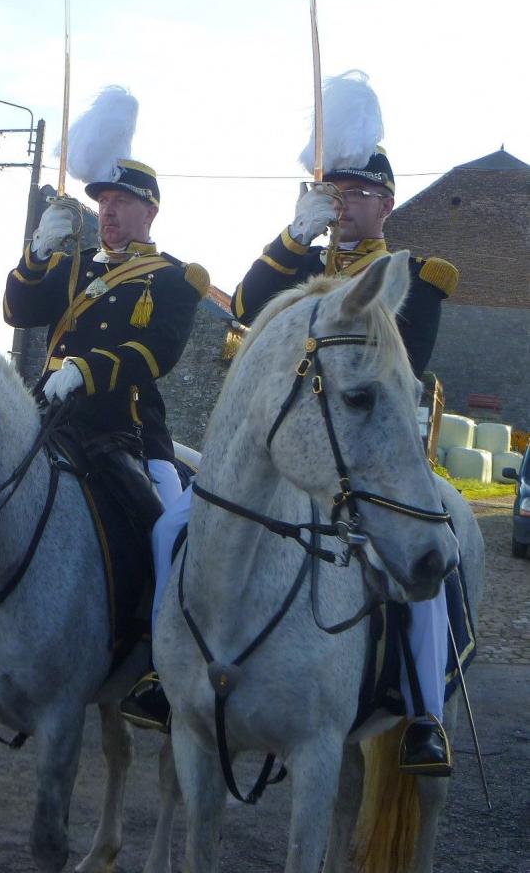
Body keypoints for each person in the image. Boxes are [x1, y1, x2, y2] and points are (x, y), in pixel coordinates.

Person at [153, 71, 460, 772]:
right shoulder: (299, 264)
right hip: (286, 453)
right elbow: (248, 309)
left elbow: (398, 367)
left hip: (373, 459)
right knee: (173, 527)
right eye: (334, 192)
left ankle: (424, 712)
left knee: (427, 562)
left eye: (358, 193)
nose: (344, 204)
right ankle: (163, 668)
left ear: (386, 203)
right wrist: (294, 238)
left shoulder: (412, 276)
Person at [4, 119, 209, 730]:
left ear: (150, 211)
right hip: (49, 419)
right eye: (103, 201)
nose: (109, 212)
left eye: (121, 202)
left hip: (126, 428)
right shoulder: (73, 268)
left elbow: (158, 352)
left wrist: (87, 371)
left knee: (165, 529)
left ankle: (161, 660)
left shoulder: (174, 277)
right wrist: (38, 253)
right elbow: (17, 310)